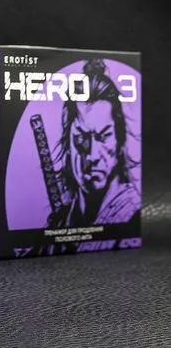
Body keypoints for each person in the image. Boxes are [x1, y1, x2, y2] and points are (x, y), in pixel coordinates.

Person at [48, 58, 139, 231]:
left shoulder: (133, 217)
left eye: (104, 137)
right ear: (68, 143)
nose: (92, 155)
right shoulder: (62, 219)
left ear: (120, 141)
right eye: (80, 138)